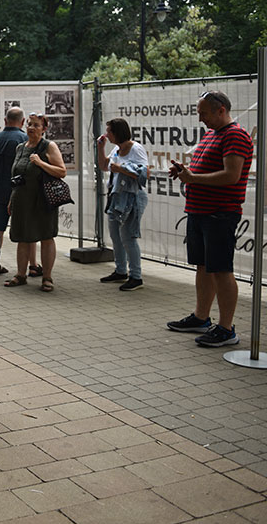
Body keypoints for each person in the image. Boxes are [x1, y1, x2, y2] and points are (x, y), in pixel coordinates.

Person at [167, 91, 253, 347]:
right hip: (199, 211)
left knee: (221, 269)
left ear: (221, 110)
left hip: (219, 213)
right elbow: (206, 169)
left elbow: (231, 176)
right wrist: (186, 172)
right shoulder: (212, 134)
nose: (200, 118)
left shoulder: (235, 135)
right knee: (203, 266)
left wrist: (193, 179)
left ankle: (226, 329)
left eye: (203, 113)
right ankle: (201, 317)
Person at [5, 112, 67, 292]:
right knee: (22, 237)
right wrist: (11, 199)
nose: (31, 128)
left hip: (43, 200)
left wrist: (41, 163)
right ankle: (20, 275)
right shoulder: (20, 147)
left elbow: (61, 171)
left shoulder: (49, 146)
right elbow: (17, 176)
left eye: (36, 125)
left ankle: (47, 277)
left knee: (46, 236)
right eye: (29, 124)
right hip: (21, 199)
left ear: (44, 129)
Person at [97, 118, 149, 291]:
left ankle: (136, 276)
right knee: (115, 234)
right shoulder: (117, 149)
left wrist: (122, 169)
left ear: (118, 132)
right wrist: (100, 148)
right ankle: (120, 270)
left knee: (128, 236)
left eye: (109, 131)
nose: (107, 134)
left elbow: (144, 174)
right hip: (117, 196)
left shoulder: (136, 148)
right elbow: (105, 166)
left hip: (132, 197)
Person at [0, 107, 36, 278]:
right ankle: (32, 264)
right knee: (27, 231)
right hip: (20, 193)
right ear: (22, 122)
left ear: (5, 120)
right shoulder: (24, 139)